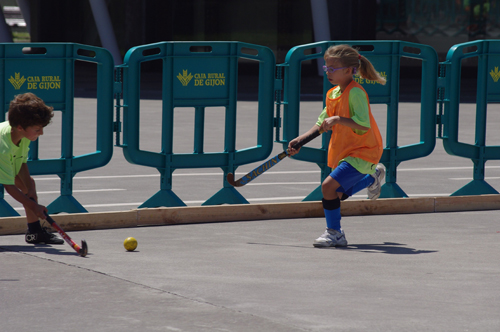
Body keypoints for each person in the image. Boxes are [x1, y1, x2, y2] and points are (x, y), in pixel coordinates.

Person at [288, 44, 386, 248]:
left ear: (350, 70)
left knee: (327, 187)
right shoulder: (332, 93)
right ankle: (372, 177)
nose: (328, 72)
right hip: (345, 150)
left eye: (333, 68)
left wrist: (339, 119)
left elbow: (363, 124)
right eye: (326, 68)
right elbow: (321, 123)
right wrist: (301, 140)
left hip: (364, 150)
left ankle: (335, 233)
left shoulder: (356, 93)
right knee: (336, 194)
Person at [0, 92, 63, 244]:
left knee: (29, 183)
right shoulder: (3, 146)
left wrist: (31, 191)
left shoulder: (22, 135)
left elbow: (20, 164)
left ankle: (34, 232)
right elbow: (9, 187)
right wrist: (34, 206)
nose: (41, 133)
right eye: (37, 129)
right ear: (21, 127)